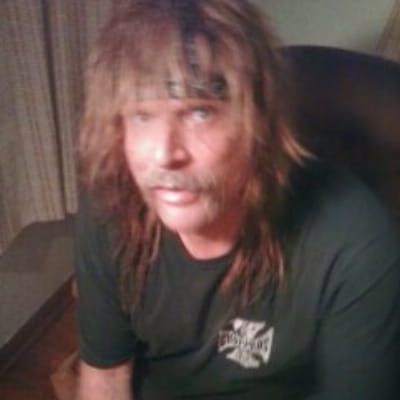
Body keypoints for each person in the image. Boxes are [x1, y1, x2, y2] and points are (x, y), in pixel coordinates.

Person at [75, 0, 400, 399]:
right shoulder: (109, 209)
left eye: (200, 113)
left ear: (259, 123)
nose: (164, 154)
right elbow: (106, 376)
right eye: (142, 115)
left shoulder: (355, 243)